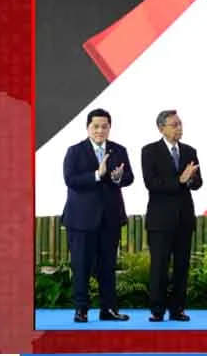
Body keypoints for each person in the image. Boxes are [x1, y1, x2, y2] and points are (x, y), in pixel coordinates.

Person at [61, 108, 133, 323]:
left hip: (110, 218)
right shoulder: (75, 151)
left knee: (108, 266)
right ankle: (81, 309)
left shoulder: (119, 150)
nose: (100, 130)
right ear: (88, 128)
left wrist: (119, 177)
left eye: (104, 126)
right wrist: (96, 175)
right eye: (95, 126)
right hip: (81, 220)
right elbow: (70, 180)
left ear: (110, 128)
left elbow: (129, 177)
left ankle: (108, 309)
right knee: (81, 266)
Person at [142, 110, 202, 322]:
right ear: (161, 128)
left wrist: (191, 179)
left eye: (180, 124)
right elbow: (151, 183)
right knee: (159, 266)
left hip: (184, 218)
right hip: (160, 220)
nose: (179, 128)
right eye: (174, 125)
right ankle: (157, 310)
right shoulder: (150, 151)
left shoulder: (189, 151)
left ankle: (178, 309)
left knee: (181, 266)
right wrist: (179, 180)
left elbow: (198, 182)